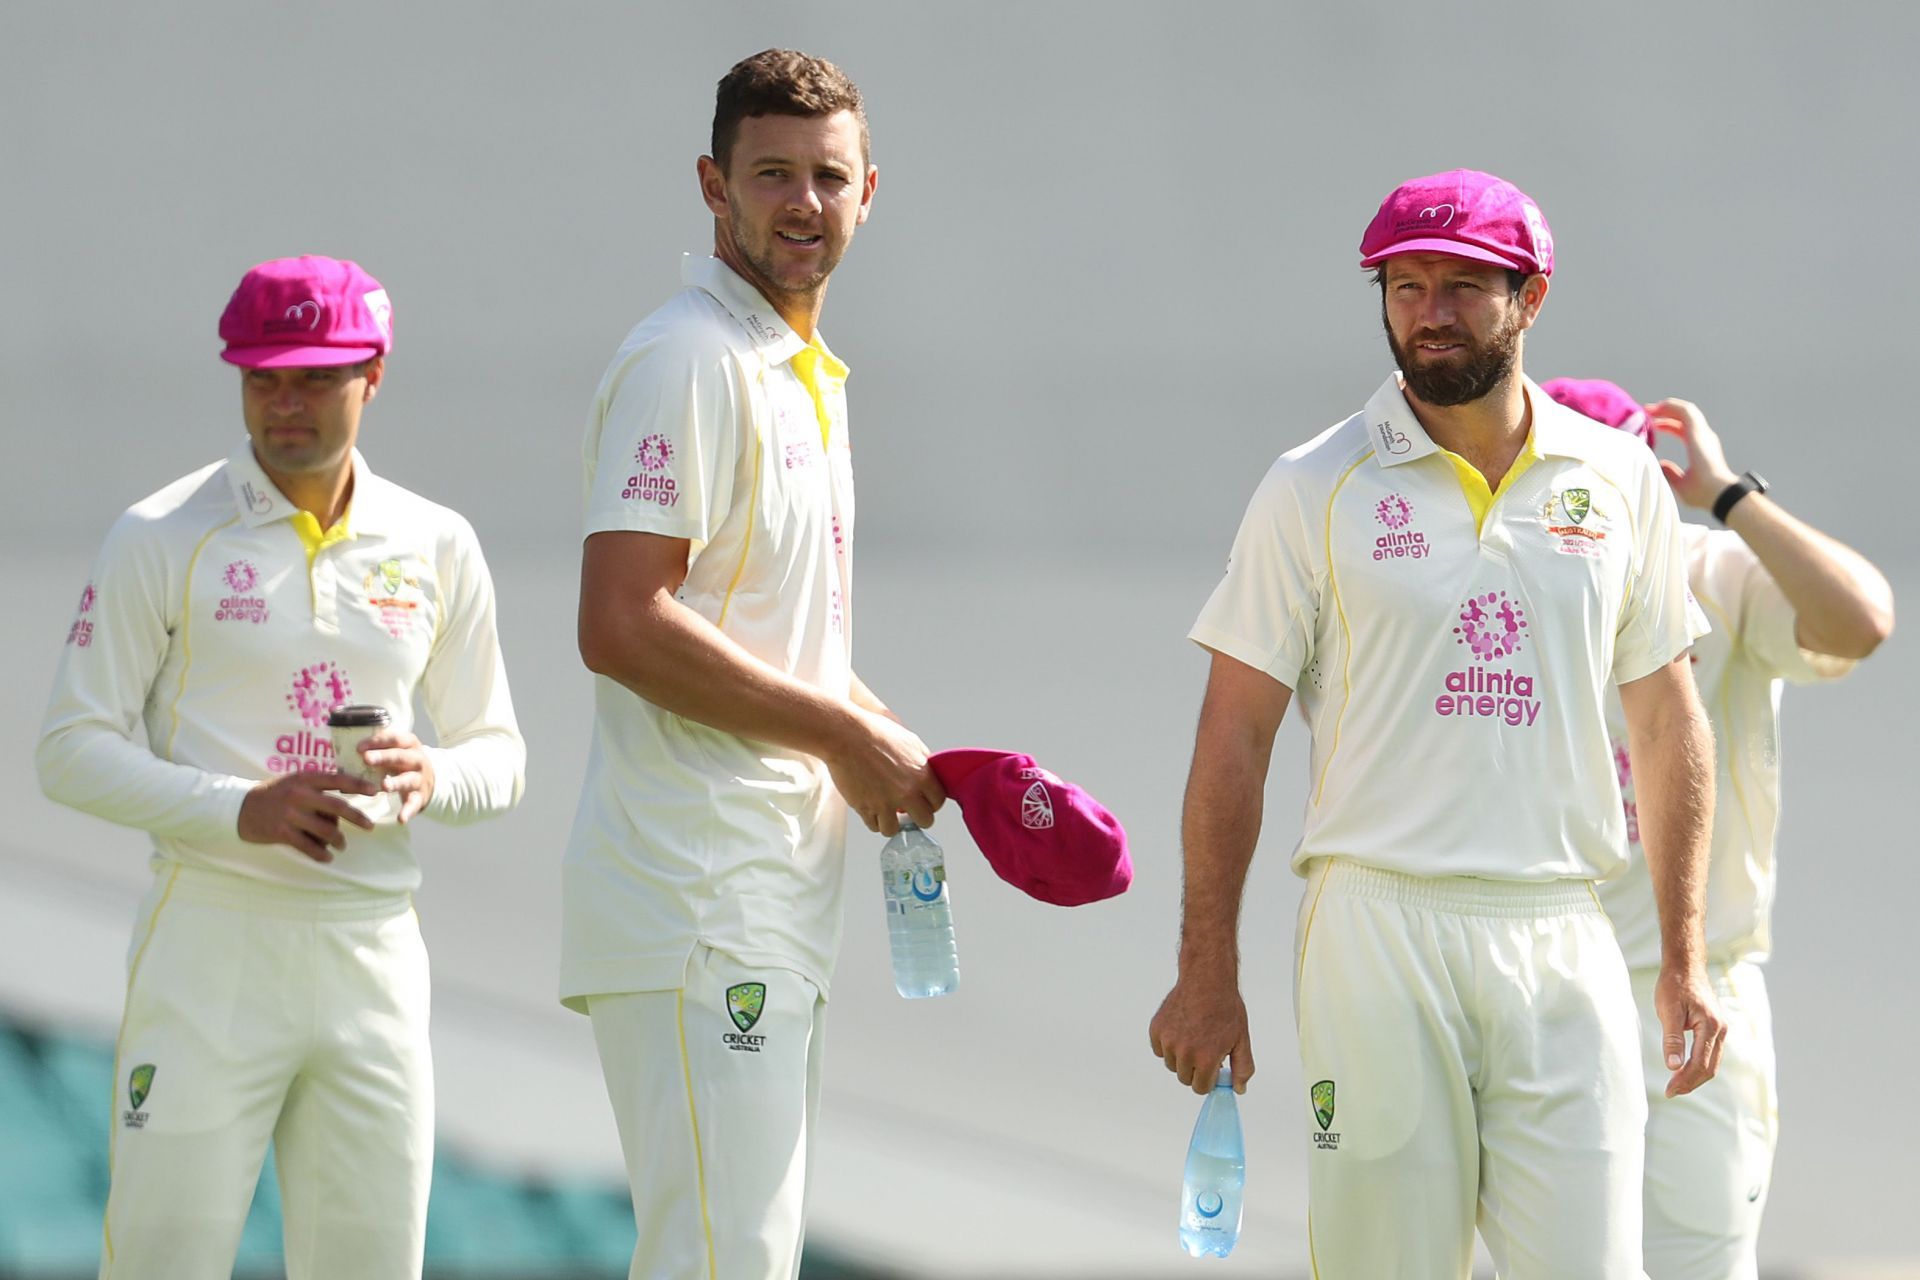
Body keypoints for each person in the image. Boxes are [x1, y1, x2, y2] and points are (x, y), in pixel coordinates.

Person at [1147, 170, 1728, 1278]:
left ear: (1532, 295)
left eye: (1464, 285)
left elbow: (1667, 720)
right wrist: (1206, 968)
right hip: (1377, 924)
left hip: (1562, 926)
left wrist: (1685, 957)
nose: (1430, 311)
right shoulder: (1312, 483)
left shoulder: (1616, 478)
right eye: (1406, 285)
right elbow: (1235, 736)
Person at [36, 254, 526, 1278]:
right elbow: (68, 750)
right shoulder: (163, 533)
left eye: (314, 375)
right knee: (161, 1261)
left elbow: (501, 756)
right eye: (263, 376)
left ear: (374, 372)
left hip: (373, 955)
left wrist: (431, 774)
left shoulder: (438, 542)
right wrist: (241, 808)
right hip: (210, 943)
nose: (285, 401)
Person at [558, 50, 943, 1279]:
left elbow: (786, 645)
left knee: (738, 1253)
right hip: (696, 894)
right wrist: (841, 736)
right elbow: (620, 622)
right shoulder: (690, 358)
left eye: (827, 177)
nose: (802, 203)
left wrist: (905, 747)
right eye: (771, 172)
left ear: (869, 190)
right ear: (712, 184)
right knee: (724, 1258)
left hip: (769, 895)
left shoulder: (801, 374)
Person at [1542, 378, 1894, 1279]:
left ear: (1655, 476)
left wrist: (1730, 496)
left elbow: (1860, 621)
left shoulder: (1713, 572)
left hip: (1700, 1002)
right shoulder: (1508, 585)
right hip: (1540, 998)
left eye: (1619, 475)